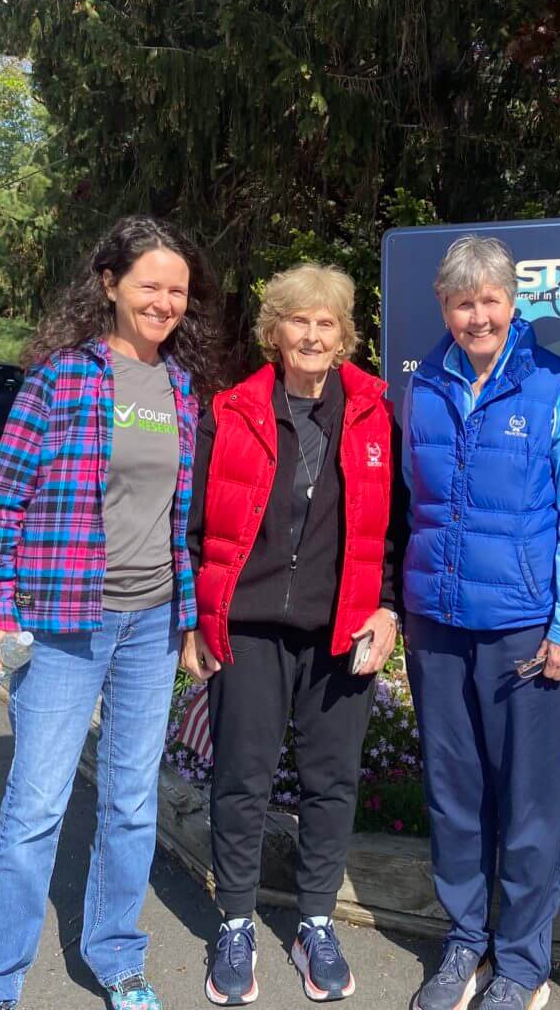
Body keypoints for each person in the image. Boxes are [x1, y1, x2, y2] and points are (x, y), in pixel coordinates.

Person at [0, 215, 221, 1010]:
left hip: (151, 623)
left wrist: (187, 619)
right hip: (66, 622)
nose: (166, 302)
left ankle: (116, 955)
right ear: (110, 284)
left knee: (132, 800)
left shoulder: (180, 386)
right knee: (36, 807)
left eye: (178, 290)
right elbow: (0, 503)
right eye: (151, 285)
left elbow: (180, 515)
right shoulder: (61, 379)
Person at [183, 263, 404, 1006]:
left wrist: (389, 606)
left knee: (330, 782)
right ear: (272, 331)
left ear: (344, 337)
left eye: (327, 323)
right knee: (241, 779)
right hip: (247, 631)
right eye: (297, 320)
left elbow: (400, 524)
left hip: (340, 631)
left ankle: (315, 919)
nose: (312, 334)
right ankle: (237, 922)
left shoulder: (376, 409)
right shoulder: (233, 410)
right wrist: (195, 616)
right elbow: (194, 528)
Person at [402, 235, 560, 1010]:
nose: (476, 315)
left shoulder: (553, 385)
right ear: (443, 307)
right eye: (461, 301)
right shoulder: (419, 388)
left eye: (489, 300)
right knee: (453, 795)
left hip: (524, 630)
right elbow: (401, 508)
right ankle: (464, 942)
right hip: (438, 628)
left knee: (527, 804)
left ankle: (520, 963)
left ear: (513, 304)